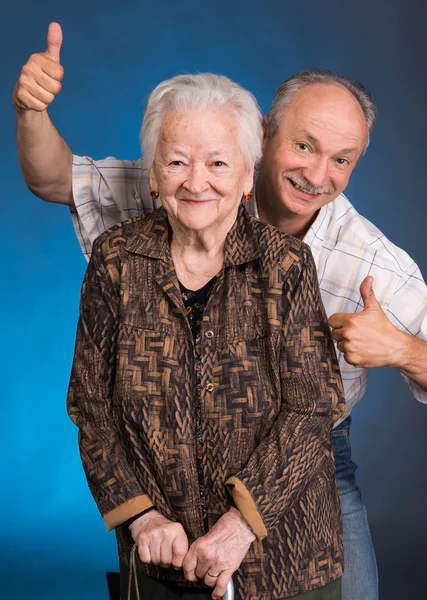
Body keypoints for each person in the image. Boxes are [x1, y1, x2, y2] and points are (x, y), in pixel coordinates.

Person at [12, 22, 427, 600]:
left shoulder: (347, 258)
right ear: (264, 136)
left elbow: (311, 409)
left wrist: (404, 350)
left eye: (342, 159)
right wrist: (31, 109)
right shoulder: (151, 211)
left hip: (307, 458)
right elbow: (56, 178)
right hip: (165, 476)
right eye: (305, 146)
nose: (317, 174)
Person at [66, 72, 345, 600]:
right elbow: (90, 408)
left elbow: (312, 409)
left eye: (218, 162)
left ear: (246, 176)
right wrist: (142, 517)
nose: (197, 182)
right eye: (177, 161)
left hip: (284, 557)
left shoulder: (284, 265)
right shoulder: (117, 262)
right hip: (161, 555)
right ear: (153, 174)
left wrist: (240, 527)